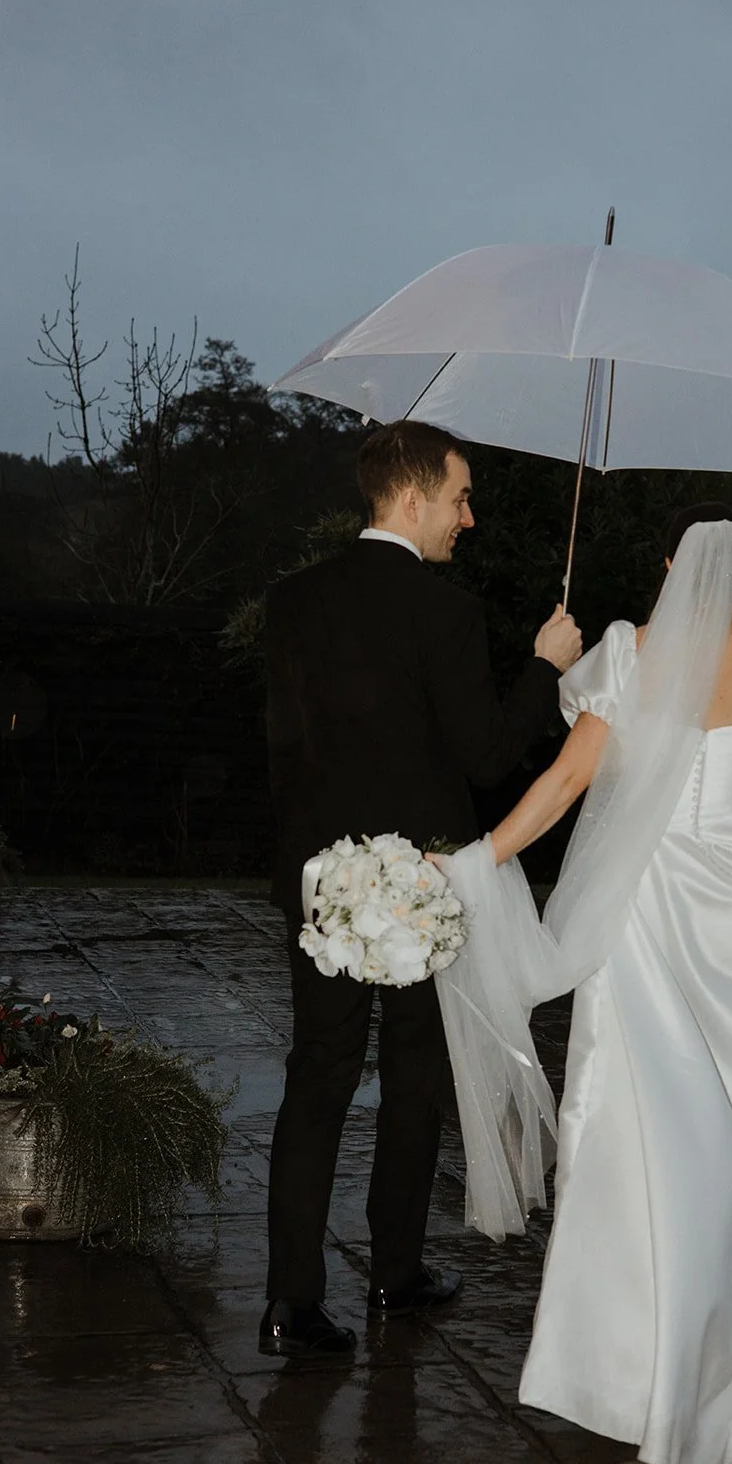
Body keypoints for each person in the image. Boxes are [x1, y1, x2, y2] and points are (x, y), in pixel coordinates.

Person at [434, 503, 732, 1464]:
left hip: (640, 931)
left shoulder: (625, 658)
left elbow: (559, 787)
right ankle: (716, 1364)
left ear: (672, 565)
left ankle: (611, 1371)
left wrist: (472, 861)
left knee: (629, 1146)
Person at [260, 419, 582, 1358]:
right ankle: (394, 1275)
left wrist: (314, 864)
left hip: (321, 882)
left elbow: (284, 754)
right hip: (424, 887)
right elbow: (486, 754)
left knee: (315, 1081)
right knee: (411, 1080)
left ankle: (291, 1302)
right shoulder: (446, 612)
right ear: (411, 497)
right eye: (459, 497)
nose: (468, 518)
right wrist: (545, 669)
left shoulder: (291, 601)